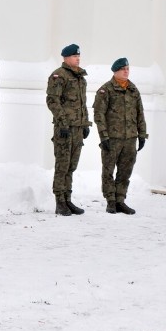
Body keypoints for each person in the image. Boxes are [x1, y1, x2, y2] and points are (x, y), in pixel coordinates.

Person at [93, 57, 147, 215]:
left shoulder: (133, 89)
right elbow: (99, 115)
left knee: (125, 171)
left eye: (128, 68)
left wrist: (142, 134)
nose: (126, 71)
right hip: (112, 138)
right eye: (123, 69)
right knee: (108, 170)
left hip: (130, 138)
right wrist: (103, 137)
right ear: (115, 71)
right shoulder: (106, 90)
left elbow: (140, 114)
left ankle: (120, 200)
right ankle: (110, 201)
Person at [46, 43, 92, 216]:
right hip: (64, 129)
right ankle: (59, 202)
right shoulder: (59, 75)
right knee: (62, 166)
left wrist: (85, 124)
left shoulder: (81, 78)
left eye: (79, 56)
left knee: (71, 166)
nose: (78, 58)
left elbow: (83, 104)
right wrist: (63, 123)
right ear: (66, 58)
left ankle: (68, 199)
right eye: (74, 56)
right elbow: (52, 101)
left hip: (78, 128)